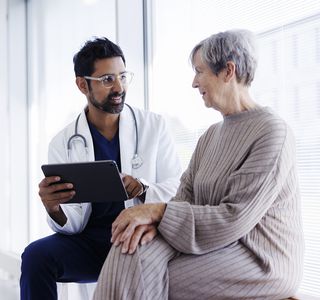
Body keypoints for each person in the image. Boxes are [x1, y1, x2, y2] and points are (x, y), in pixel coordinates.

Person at [92, 30, 304, 300]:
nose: (194, 82)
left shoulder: (272, 133)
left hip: (259, 257)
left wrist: (157, 213)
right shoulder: (211, 136)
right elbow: (184, 198)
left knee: (149, 278)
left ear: (228, 71)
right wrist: (153, 221)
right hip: (212, 244)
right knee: (128, 248)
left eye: (199, 71)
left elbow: (233, 218)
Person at [20, 37, 182, 300]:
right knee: (35, 257)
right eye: (107, 79)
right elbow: (71, 223)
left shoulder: (154, 127)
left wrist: (143, 188)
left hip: (139, 236)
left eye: (122, 76)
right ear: (83, 85)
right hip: (90, 243)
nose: (118, 86)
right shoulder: (63, 143)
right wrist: (54, 208)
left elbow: (177, 188)